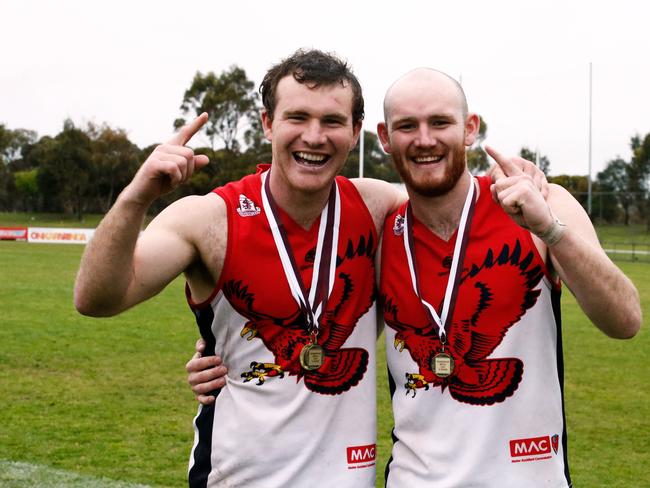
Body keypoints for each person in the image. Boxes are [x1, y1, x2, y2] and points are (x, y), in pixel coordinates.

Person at [187, 67, 642, 487]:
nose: (424, 140)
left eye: (440, 123)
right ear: (385, 138)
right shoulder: (383, 231)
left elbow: (625, 321)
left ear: (469, 128)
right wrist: (225, 351)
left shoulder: (541, 206)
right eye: (407, 126)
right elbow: (324, 319)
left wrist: (549, 228)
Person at [74, 49, 404, 487]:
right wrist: (137, 196)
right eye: (297, 117)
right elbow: (96, 299)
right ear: (268, 123)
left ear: (355, 130)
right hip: (236, 477)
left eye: (331, 121)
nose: (314, 136)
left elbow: (465, 215)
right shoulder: (209, 218)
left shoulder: (378, 208)